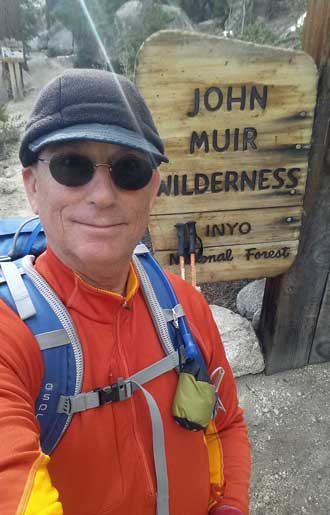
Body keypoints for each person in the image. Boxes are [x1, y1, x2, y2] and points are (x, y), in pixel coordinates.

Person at [0, 68, 250, 515]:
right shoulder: (10, 335)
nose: (102, 195)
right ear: (33, 186)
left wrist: (229, 505)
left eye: (129, 170)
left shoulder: (183, 307)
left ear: (153, 190)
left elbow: (226, 424)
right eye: (71, 165)